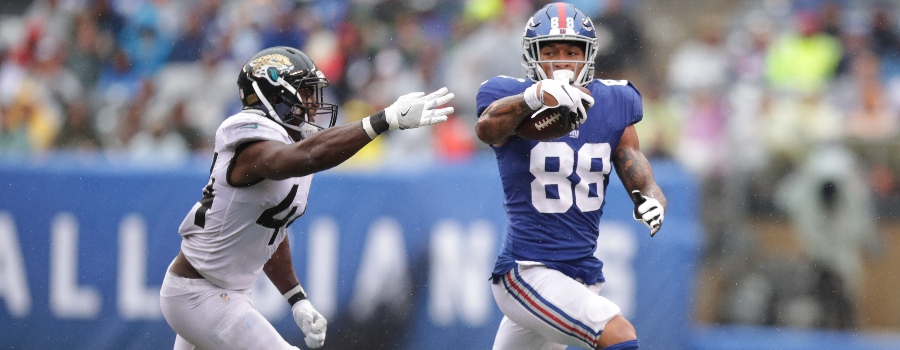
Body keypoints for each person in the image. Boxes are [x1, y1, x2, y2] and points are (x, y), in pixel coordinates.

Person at [159, 46, 454, 349]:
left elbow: (269, 230)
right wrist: (382, 120)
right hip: (200, 292)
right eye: (306, 93)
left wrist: (296, 298)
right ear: (274, 96)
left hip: (221, 293)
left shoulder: (290, 143)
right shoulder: (249, 136)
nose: (314, 103)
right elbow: (306, 156)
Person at [474, 3, 666, 350]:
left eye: (571, 51)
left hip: (579, 275)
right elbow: (487, 129)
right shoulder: (506, 95)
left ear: (588, 55)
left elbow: (634, 161)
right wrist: (533, 98)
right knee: (619, 335)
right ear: (532, 57)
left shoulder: (615, 100)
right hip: (528, 270)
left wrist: (650, 197)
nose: (561, 60)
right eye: (550, 51)